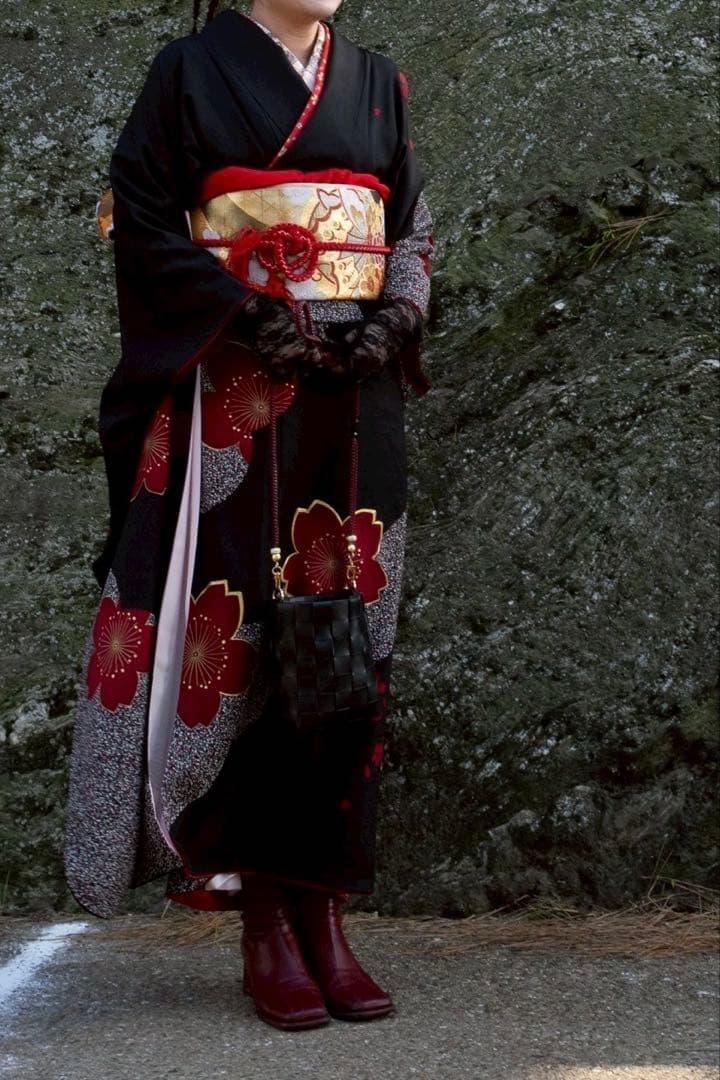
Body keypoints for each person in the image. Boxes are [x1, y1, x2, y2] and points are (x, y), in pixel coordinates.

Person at [64, 0, 433, 1031]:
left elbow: (411, 226)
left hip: (355, 388)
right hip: (239, 385)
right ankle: (263, 917)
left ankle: (324, 905)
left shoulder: (380, 81)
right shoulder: (188, 73)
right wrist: (241, 309)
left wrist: (397, 315)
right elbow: (141, 222)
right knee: (246, 638)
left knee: (349, 644)